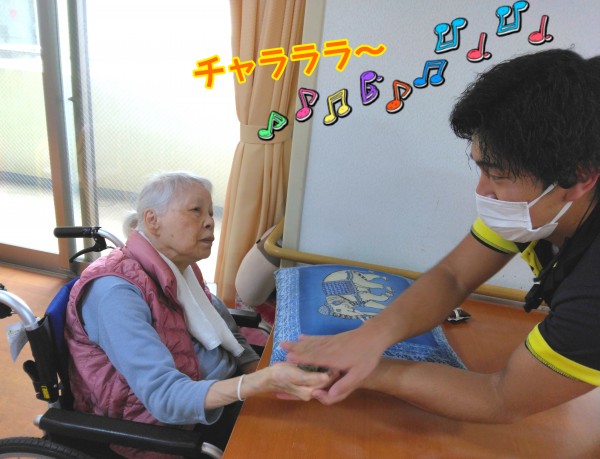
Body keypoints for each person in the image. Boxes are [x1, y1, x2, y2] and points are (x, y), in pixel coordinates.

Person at [282, 48, 600, 423]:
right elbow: (454, 275)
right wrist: (370, 337)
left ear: (578, 178)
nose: (483, 191)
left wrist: (369, 370)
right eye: (481, 169)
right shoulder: (536, 207)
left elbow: (500, 398)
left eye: (498, 176)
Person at [64, 172, 334, 458]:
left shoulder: (181, 266)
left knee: (317, 417)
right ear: (153, 220)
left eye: (210, 213)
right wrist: (258, 383)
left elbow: (223, 326)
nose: (209, 222)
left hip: (221, 390)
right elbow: (164, 397)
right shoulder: (115, 294)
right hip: (169, 427)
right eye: (196, 211)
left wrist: (255, 369)